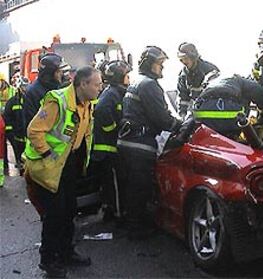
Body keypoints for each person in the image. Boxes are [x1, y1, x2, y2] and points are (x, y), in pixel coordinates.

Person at [24, 66, 102, 278]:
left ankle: (66, 252)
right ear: (83, 84)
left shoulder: (88, 103)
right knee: (55, 215)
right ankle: (48, 260)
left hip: (68, 164)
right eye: (96, 84)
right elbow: (34, 130)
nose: (100, 87)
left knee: (69, 210)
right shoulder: (57, 101)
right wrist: (48, 155)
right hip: (48, 166)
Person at [117, 46, 181, 239]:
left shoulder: (138, 83)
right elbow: (161, 118)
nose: (162, 68)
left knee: (133, 186)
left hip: (128, 141)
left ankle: (133, 221)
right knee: (141, 187)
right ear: (149, 64)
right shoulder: (150, 85)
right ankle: (136, 229)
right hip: (140, 144)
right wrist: (181, 125)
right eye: (159, 64)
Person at [89, 60, 131, 221]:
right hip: (107, 150)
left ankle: (110, 210)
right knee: (115, 185)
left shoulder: (116, 92)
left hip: (110, 148)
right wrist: (114, 129)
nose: (129, 79)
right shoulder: (111, 93)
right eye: (127, 76)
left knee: (111, 185)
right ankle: (119, 215)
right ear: (120, 77)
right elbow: (100, 111)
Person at [193, 74, 263, 138]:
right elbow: (259, 91)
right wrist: (262, 110)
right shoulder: (237, 79)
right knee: (245, 96)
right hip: (231, 118)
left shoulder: (208, 85)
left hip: (204, 119)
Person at [23, 53, 70, 131]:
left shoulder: (59, 88)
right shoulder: (33, 93)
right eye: (59, 72)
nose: (63, 75)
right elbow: (33, 125)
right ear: (49, 74)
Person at [177, 42, 219, 119]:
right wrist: (182, 115)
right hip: (194, 115)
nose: (183, 62)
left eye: (185, 59)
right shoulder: (183, 75)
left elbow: (217, 94)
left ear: (193, 57)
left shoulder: (210, 70)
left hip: (211, 114)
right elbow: (183, 97)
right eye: (181, 60)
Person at [3, 77, 28, 175]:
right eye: (23, 87)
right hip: (16, 136)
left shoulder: (29, 100)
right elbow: (7, 118)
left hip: (27, 135)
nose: (25, 89)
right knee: (19, 157)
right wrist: (10, 132)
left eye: (26, 86)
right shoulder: (12, 102)